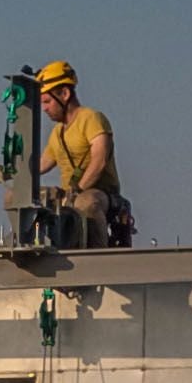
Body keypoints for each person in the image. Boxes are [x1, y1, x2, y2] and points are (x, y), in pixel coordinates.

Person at [33, 59, 131, 248]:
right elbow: (42, 165)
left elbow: (99, 161)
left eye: (47, 101)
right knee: (24, 199)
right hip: (70, 195)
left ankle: (98, 257)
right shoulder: (57, 132)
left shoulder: (92, 119)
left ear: (65, 94)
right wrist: (10, 171)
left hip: (101, 194)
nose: (44, 108)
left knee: (86, 203)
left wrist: (76, 191)